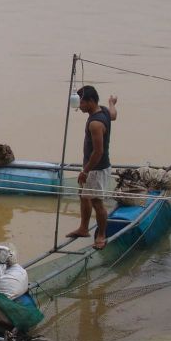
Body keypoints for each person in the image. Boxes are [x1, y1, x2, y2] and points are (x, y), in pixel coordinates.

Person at [67, 86, 118, 249]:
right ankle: (83, 228)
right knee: (84, 196)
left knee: (97, 202)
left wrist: (85, 171)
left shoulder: (95, 123)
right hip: (93, 166)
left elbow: (98, 151)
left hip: (96, 168)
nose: (79, 107)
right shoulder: (103, 110)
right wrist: (111, 103)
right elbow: (114, 115)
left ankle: (101, 235)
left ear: (90, 101)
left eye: (80, 103)